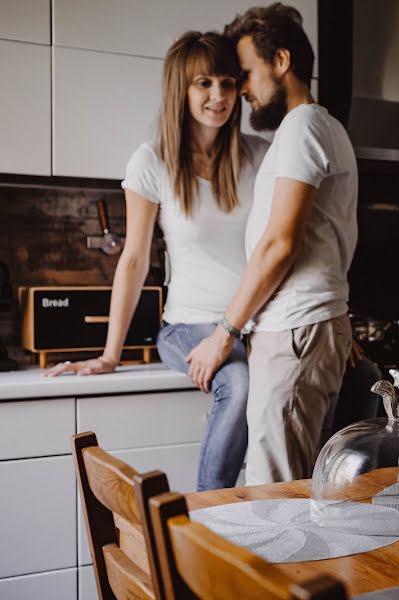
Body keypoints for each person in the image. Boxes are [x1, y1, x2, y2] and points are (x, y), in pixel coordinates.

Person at [46, 31, 269, 492]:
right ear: (180, 89)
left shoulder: (259, 156)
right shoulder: (153, 162)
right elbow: (133, 260)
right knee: (240, 383)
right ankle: (211, 519)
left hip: (253, 326)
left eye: (228, 83)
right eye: (203, 83)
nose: (219, 96)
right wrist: (111, 354)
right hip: (188, 326)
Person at [186, 3, 357, 484]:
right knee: (293, 488)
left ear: (281, 62)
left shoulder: (303, 127)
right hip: (302, 329)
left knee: (274, 497)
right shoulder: (315, 129)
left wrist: (225, 333)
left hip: (295, 332)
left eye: (245, 75)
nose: (241, 90)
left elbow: (280, 245)